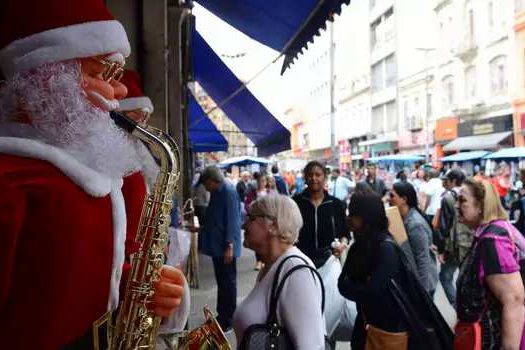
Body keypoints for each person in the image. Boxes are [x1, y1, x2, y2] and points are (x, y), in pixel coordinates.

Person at [0, 1, 188, 348]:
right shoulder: (12, 181)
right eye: (103, 75)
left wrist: (143, 288)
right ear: (46, 80)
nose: (119, 95)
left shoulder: (91, 176)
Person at [234, 194, 326, 350]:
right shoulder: (272, 266)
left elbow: (312, 346)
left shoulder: (295, 270)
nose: (244, 225)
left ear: (273, 226)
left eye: (250, 218)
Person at [455, 178, 525, 349]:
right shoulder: (492, 231)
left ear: (481, 206)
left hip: (492, 339)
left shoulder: (492, 240)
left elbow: (513, 300)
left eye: (462, 200)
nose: (456, 205)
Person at [338, 191, 409, 350]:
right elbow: (341, 284)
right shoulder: (359, 245)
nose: (349, 219)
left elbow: (373, 291)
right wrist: (360, 287)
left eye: (353, 214)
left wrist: (355, 286)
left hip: (387, 330)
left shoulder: (386, 248)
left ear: (366, 217)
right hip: (364, 324)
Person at [192, 165, 241, 331]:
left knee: (228, 283)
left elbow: (233, 220)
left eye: (206, 184)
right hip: (218, 246)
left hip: (225, 247)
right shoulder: (217, 192)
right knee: (223, 282)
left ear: (212, 180)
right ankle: (223, 315)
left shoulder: (227, 192)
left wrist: (229, 245)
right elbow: (215, 218)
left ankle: (229, 319)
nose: (205, 187)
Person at [292, 161, 349, 268]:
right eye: (310, 175)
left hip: (330, 262)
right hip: (301, 262)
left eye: (318, 175)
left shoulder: (335, 204)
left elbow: (345, 234)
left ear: (325, 178)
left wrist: (342, 245)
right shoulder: (295, 203)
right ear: (305, 178)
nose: (314, 178)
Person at [389, 182, 438, 295]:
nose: (389, 199)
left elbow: (422, 259)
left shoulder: (415, 224)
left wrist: (422, 293)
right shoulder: (403, 219)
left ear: (404, 199)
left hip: (424, 284)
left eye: (392, 196)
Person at [437, 169, 472, 309]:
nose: (445, 182)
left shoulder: (448, 198)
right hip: (470, 243)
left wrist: (441, 250)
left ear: (453, 181)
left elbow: (445, 227)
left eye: (448, 180)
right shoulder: (470, 194)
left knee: (445, 277)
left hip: (453, 245)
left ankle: (458, 307)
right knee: (466, 279)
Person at [245, 173, 269, 271]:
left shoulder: (270, 193)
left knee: (267, 240)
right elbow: (246, 204)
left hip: (267, 220)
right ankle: (259, 261)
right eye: (259, 181)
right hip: (256, 219)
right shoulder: (252, 193)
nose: (261, 183)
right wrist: (251, 210)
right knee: (258, 240)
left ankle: (266, 260)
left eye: (263, 181)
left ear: (266, 182)